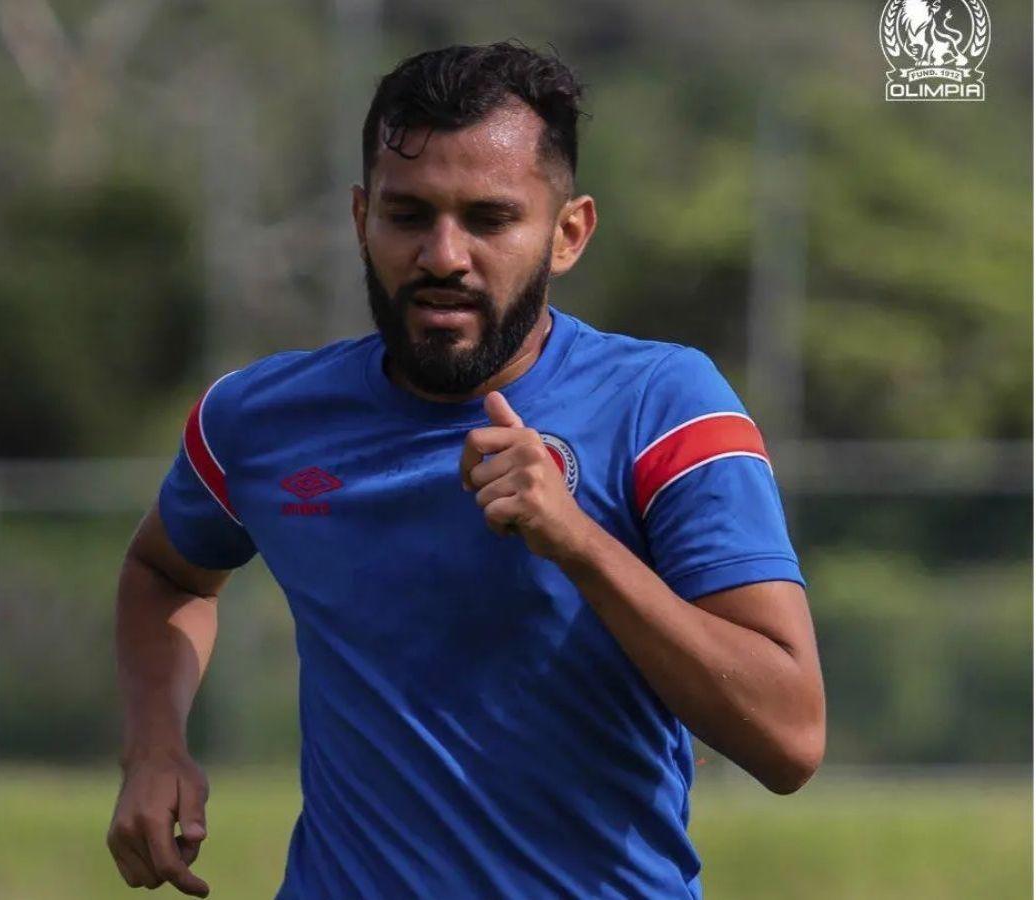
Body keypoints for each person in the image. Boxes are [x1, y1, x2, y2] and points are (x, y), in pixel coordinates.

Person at [106, 40, 825, 900]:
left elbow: (790, 737)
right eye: (409, 216)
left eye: (488, 219)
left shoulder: (666, 408)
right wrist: (155, 746)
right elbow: (164, 571)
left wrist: (578, 543)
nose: (444, 255)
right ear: (360, 218)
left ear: (568, 233)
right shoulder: (255, 420)